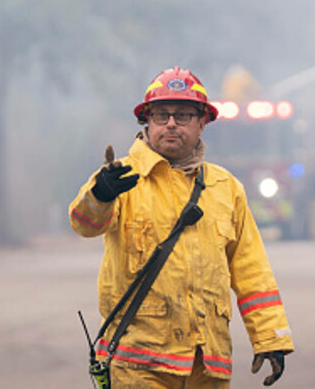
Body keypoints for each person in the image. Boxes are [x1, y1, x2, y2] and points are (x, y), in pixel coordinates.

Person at [70, 67, 295, 387]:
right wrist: (100, 194)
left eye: (183, 115)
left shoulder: (225, 188)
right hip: (139, 363)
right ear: (147, 122)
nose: (172, 123)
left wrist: (270, 336)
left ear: (202, 123)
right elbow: (84, 225)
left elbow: (251, 268)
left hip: (208, 363)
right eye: (162, 115)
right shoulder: (119, 178)